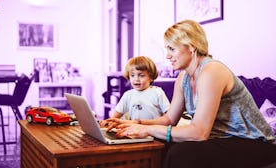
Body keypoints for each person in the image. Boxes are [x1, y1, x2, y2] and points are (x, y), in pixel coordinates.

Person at [104, 20, 276, 168]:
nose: (167, 56)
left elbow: (199, 133)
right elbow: (169, 119)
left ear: (192, 47)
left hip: (255, 143)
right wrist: (134, 123)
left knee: (182, 154)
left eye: (172, 49)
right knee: (156, 142)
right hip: (222, 139)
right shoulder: (183, 78)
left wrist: (147, 129)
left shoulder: (212, 70)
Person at [100, 56, 170, 126]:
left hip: (154, 131)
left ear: (151, 77)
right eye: (132, 75)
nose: (136, 79)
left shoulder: (157, 92)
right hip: (134, 131)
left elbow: (168, 115)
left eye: (141, 75)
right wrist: (108, 122)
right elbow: (116, 115)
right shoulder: (128, 95)